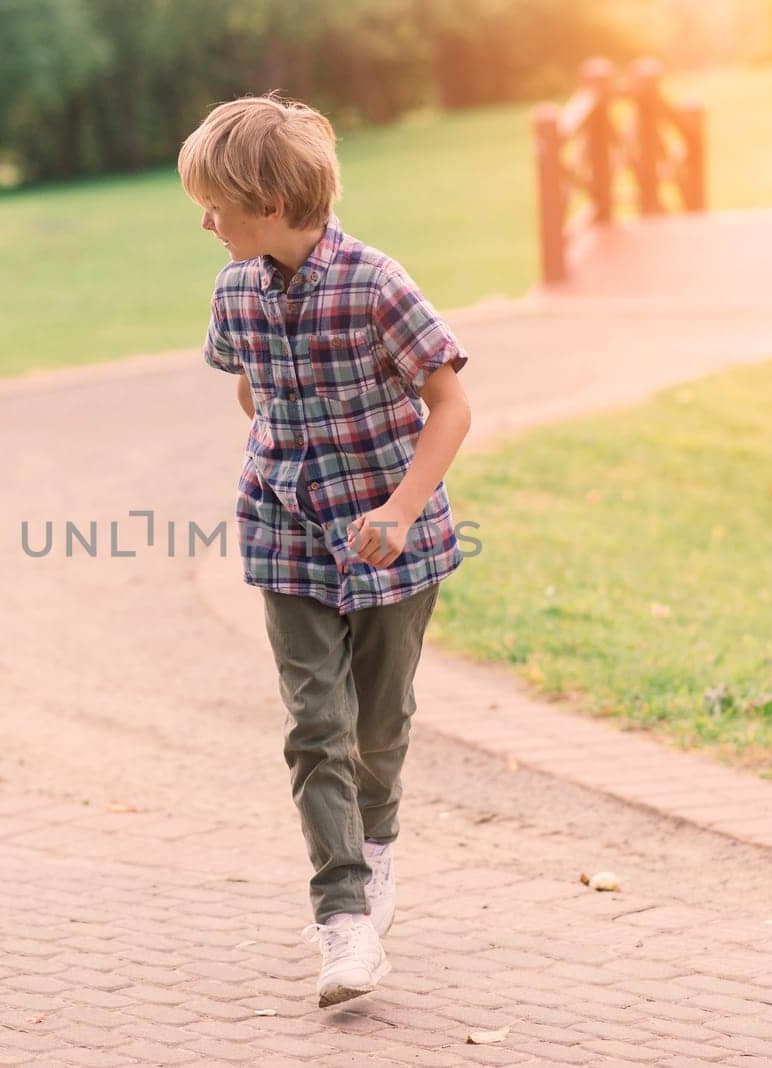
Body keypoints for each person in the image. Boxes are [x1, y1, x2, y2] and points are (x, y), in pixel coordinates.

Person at [177, 92, 473, 1007]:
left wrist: (397, 507)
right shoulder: (235, 289)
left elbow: (450, 404)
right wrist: (282, 451)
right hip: (285, 533)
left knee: (377, 728)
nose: (204, 219)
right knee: (317, 726)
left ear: (268, 205)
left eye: (215, 203)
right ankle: (342, 915)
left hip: (393, 540)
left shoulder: (376, 283)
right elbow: (251, 389)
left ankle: (375, 846)